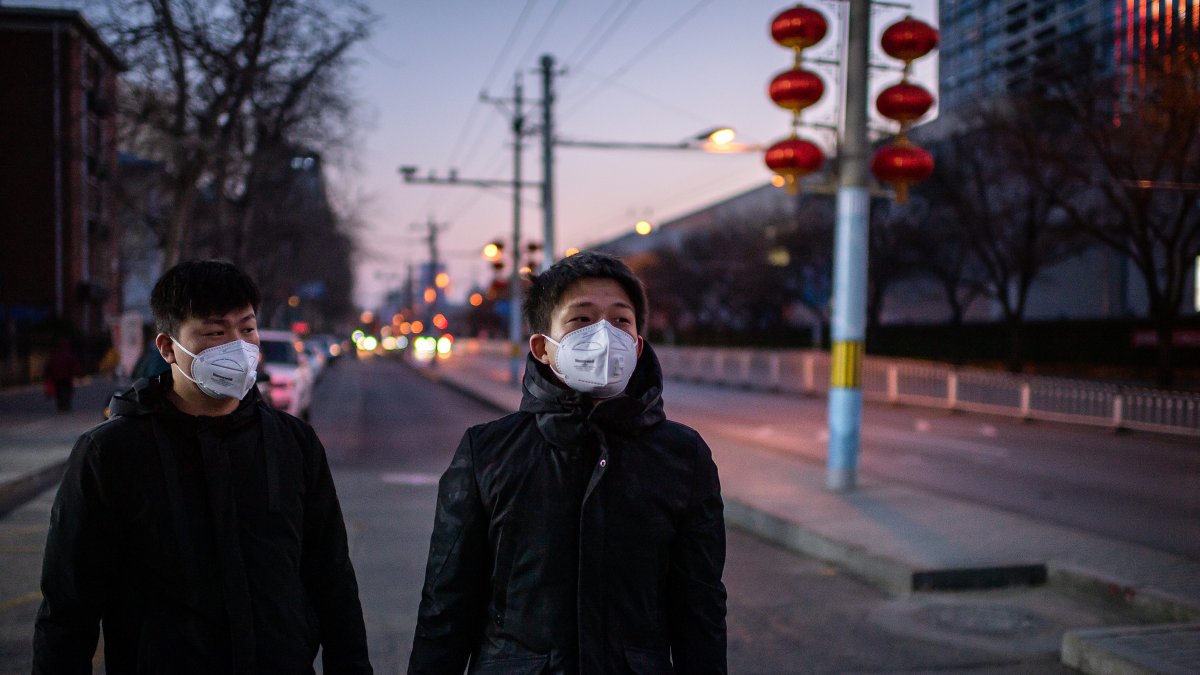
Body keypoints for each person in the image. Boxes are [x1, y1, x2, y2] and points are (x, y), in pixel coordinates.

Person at [33, 259, 373, 674]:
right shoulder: (111, 453)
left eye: (246, 329)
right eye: (215, 333)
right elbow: (67, 614)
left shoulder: (293, 444)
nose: (238, 346)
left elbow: (333, 583)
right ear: (167, 348)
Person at [409, 252, 727, 674]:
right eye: (581, 320)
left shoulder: (683, 456)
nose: (604, 335)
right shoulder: (488, 451)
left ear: (636, 345)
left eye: (620, 321)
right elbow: (446, 607)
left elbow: (700, 611)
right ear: (542, 347)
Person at [43, 338, 81, 412]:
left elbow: (49, 366)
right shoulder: (68, 354)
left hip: (56, 377)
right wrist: (78, 374)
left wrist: (47, 375)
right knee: (68, 390)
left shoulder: (54, 355)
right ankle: (66, 404)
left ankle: (61, 404)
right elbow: (74, 365)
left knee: (59, 391)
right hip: (66, 377)